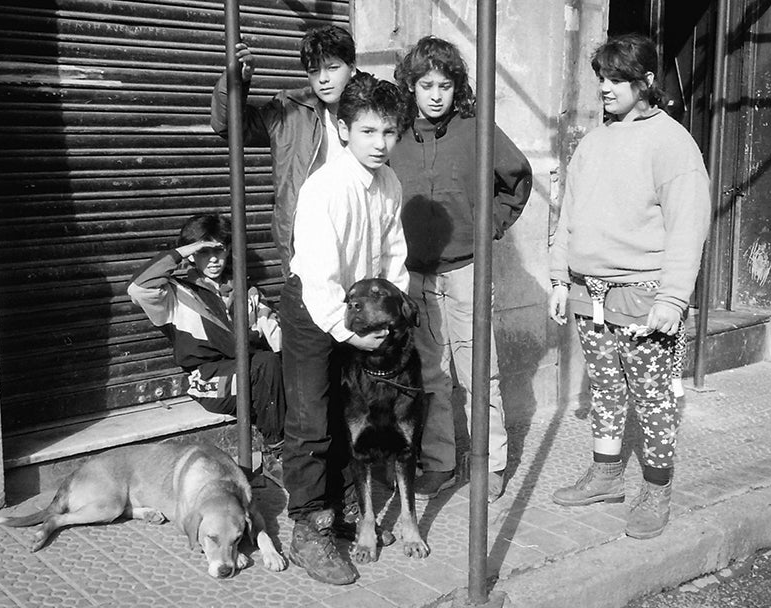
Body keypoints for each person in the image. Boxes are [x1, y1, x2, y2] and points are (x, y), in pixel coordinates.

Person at [548, 33, 711, 539]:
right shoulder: (592, 144)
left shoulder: (672, 141)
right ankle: (605, 475)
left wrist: (673, 297)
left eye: (617, 78)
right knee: (605, 389)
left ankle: (657, 489)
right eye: (601, 77)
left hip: (644, 295)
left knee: (654, 396)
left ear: (646, 82)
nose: (605, 87)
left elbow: (689, 223)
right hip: (586, 293)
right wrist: (558, 279)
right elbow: (567, 216)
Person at [391, 36, 533, 503]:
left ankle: (489, 463)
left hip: (468, 271)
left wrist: (485, 227)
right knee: (429, 373)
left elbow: (516, 179)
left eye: (446, 85)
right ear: (411, 86)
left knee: (478, 372)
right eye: (426, 84)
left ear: (458, 89)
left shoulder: (476, 130)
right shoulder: (394, 139)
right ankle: (438, 463)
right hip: (415, 276)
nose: (436, 95)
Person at [281, 73, 410, 585]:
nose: (380, 144)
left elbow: (393, 258)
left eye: (390, 132)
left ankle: (347, 509)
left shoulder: (390, 184)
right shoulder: (325, 188)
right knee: (311, 417)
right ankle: (309, 529)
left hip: (363, 313)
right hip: (317, 310)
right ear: (343, 129)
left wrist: (388, 318)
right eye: (368, 131)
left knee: (349, 412)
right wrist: (344, 328)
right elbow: (318, 275)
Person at [127, 214, 285, 484]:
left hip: (252, 373)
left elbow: (275, 335)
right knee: (266, 367)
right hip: (208, 380)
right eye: (204, 251)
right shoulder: (174, 295)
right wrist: (181, 252)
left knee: (281, 368)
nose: (214, 259)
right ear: (192, 254)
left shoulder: (246, 291)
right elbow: (138, 288)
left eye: (219, 250)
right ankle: (276, 453)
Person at [210, 25, 358, 278]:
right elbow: (228, 125)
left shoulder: (373, 108)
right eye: (314, 71)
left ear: (352, 67)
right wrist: (238, 80)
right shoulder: (289, 108)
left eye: (333, 68)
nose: (323, 79)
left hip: (357, 234)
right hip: (307, 240)